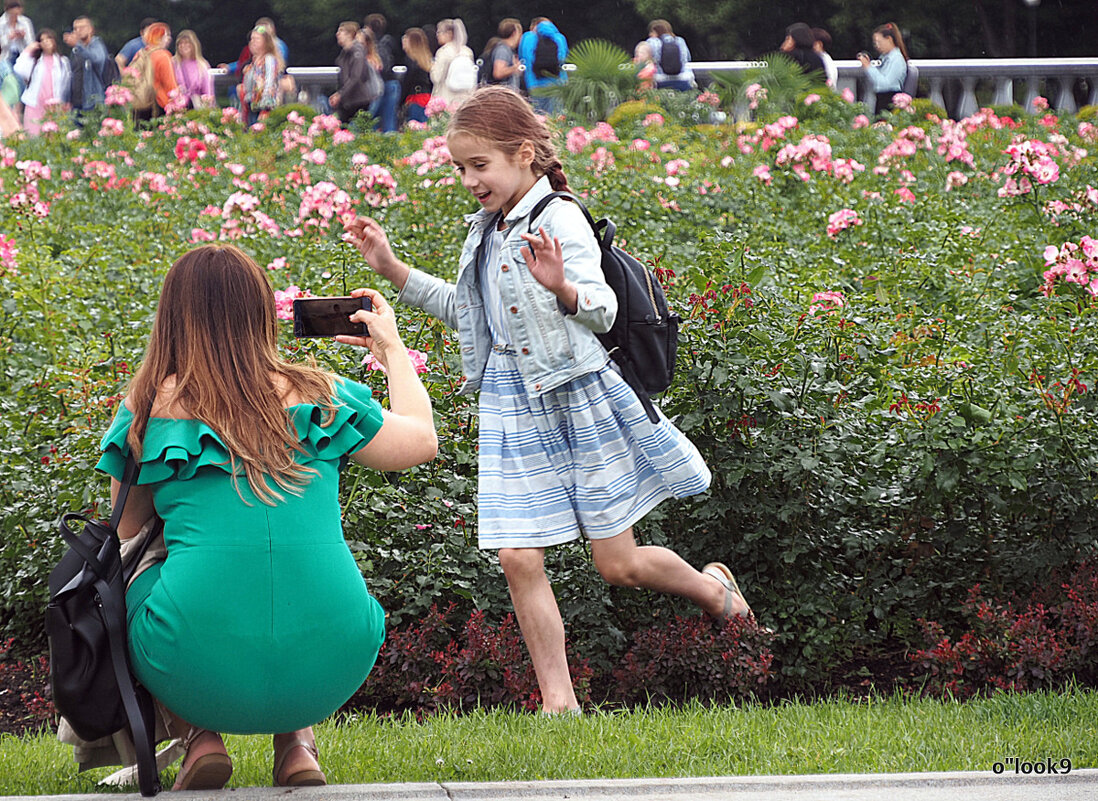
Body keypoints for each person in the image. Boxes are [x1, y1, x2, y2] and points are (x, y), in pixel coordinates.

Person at [342, 86, 752, 714]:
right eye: (460, 168)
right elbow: (466, 312)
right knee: (516, 556)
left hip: (576, 393)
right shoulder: (484, 230)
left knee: (618, 564)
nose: (469, 180)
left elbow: (606, 307)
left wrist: (562, 287)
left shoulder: (558, 217)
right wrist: (394, 270)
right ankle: (560, 704)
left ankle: (715, 592)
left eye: (480, 165)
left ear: (525, 154)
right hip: (510, 400)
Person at [98, 243, 436, 789]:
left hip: (193, 665)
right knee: (290, 558)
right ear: (261, 313)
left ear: (173, 319)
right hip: (335, 656)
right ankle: (297, 744)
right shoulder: (321, 393)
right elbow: (421, 441)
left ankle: (198, 738)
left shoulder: (150, 409)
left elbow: (124, 533)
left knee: (145, 568)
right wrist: (391, 347)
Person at [14, 28, 68, 135]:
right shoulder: (35, 61)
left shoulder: (63, 62)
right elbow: (18, 68)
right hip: (35, 105)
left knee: (53, 137)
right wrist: (28, 49)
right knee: (33, 135)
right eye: (42, 40)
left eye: (49, 38)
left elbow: (66, 84)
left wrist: (65, 102)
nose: (46, 41)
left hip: (54, 106)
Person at [518, 17, 567, 113]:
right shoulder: (559, 38)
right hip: (557, 85)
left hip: (535, 84)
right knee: (557, 119)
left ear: (534, 26)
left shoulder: (527, 38)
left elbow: (523, 59)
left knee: (538, 116)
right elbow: (562, 58)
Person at [858, 22, 909, 113]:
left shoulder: (897, 59)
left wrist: (869, 67)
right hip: (882, 101)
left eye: (879, 42)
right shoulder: (886, 58)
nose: (877, 46)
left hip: (890, 103)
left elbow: (884, 85)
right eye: (875, 43)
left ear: (889, 39)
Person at [63, 15, 108, 114]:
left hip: (93, 102)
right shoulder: (76, 49)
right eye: (75, 28)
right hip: (76, 103)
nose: (78, 31)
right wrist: (67, 99)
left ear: (91, 29)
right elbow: (72, 74)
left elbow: (97, 59)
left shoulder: (96, 44)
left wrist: (77, 45)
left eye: (82, 27)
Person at [330, 21, 372, 126]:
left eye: (341, 31)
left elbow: (355, 77)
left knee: (344, 128)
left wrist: (340, 94)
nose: (337, 34)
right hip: (348, 100)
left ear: (349, 35)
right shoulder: (344, 53)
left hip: (358, 99)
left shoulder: (357, 52)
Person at [365, 13, 401, 133]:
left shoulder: (370, 45)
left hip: (376, 85)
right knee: (389, 119)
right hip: (392, 82)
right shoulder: (389, 42)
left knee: (372, 120)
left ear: (368, 27)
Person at [239, 25, 282, 124]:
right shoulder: (253, 62)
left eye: (257, 39)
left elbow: (269, 79)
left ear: (265, 42)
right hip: (252, 105)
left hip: (263, 107)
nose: (253, 42)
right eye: (251, 39)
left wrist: (266, 103)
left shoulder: (268, 59)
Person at [430, 18, 475, 111]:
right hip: (464, 99)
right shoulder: (467, 51)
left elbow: (436, 78)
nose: (437, 35)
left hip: (446, 98)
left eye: (439, 32)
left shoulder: (443, 52)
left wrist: (432, 67)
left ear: (449, 33)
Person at [140, 22, 177, 116]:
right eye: (166, 35)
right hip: (159, 104)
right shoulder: (163, 56)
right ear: (159, 37)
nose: (169, 38)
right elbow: (170, 84)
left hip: (140, 103)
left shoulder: (141, 54)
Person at [645, 19, 693, 91]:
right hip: (684, 79)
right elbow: (688, 59)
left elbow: (645, 60)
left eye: (651, 32)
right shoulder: (680, 40)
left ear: (656, 32)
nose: (650, 34)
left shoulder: (652, 41)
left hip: (660, 81)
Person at [173, 29, 213, 109]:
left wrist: (208, 107)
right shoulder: (173, 63)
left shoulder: (202, 64)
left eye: (186, 43)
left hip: (196, 105)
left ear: (193, 44)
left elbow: (208, 90)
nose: (183, 45)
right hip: (178, 105)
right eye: (180, 43)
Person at [400, 27, 432, 124]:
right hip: (427, 97)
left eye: (405, 39)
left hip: (414, 98)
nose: (403, 41)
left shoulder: (410, 61)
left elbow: (407, 83)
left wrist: (400, 101)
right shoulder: (427, 60)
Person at [480, 18, 522, 90]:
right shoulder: (503, 50)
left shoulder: (507, 49)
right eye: (520, 33)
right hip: (503, 95)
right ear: (514, 33)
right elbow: (498, 73)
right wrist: (515, 68)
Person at [0, 0, 32, 67]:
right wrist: (9, 37)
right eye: (13, 14)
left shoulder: (26, 22)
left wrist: (23, 36)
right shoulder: (1, 23)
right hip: (6, 56)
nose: (15, 16)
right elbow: (1, 45)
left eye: (17, 14)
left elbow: (31, 43)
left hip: (23, 55)